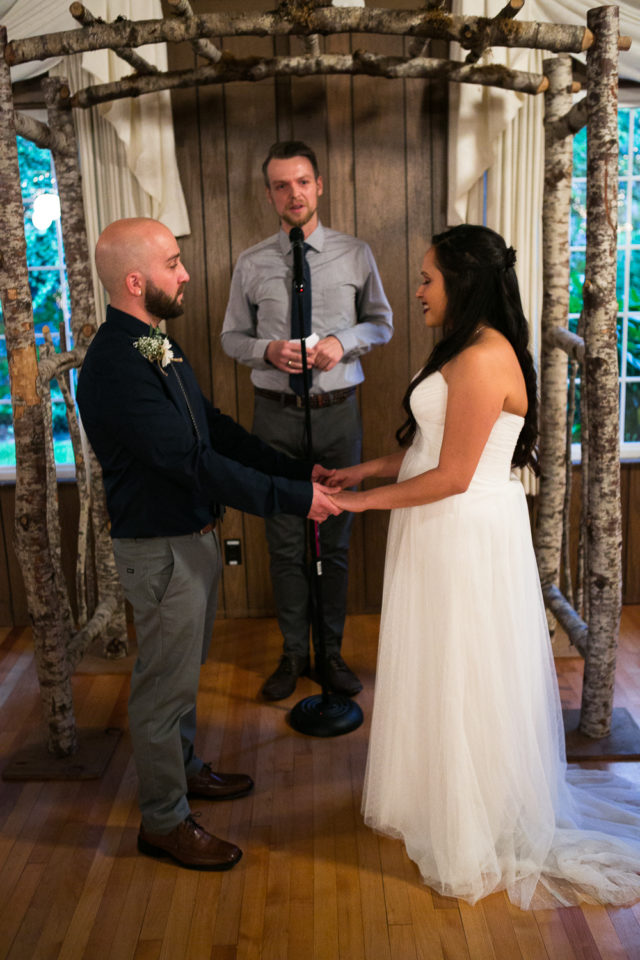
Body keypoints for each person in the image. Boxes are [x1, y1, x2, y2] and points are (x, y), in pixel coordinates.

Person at [328, 224, 640, 908]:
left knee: (464, 668)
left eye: (427, 278)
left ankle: (474, 823)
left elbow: (453, 475)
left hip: (464, 528)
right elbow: (426, 453)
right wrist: (357, 474)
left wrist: (359, 506)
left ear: (461, 284)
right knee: (438, 663)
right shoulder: (465, 347)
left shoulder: (481, 358)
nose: (417, 291)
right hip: (443, 523)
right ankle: (434, 796)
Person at [77, 217, 340, 872]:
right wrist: (294, 500)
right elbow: (191, 463)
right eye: (173, 263)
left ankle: (185, 768)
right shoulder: (115, 364)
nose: (186, 272)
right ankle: (163, 821)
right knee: (161, 689)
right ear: (136, 281)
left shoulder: (153, 344)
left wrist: (288, 469)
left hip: (192, 537)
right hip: (160, 548)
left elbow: (211, 427)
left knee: (180, 676)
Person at [222, 140, 393, 701]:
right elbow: (230, 337)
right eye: (280, 185)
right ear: (269, 192)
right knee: (285, 541)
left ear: (319, 185)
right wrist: (266, 352)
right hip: (274, 418)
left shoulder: (355, 253)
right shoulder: (251, 262)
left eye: (301, 182)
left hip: (338, 416)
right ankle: (293, 654)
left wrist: (344, 342)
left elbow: (382, 324)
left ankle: (333, 654)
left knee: (335, 540)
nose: (292, 194)